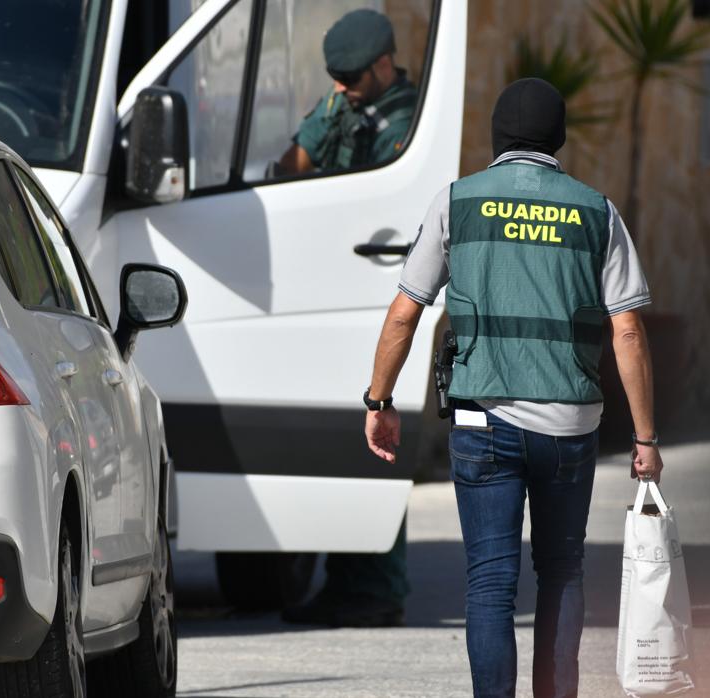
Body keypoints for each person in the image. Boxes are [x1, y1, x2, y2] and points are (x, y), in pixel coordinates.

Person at [362, 78, 663, 697]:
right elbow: (627, 329)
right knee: (561, 573)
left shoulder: (456, 202)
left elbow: (404, 313)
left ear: (497, 137)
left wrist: (380, 401)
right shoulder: (596, 210)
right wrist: (645, 437)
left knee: (490, 584)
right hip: (570, 429)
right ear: (558, 138)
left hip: (481, 425)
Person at [279, 8, 417, 629]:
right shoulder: (349, 107)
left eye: (351, 80)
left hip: (379, 297)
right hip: (334, 289)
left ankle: (371, 585)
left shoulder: (406, 126)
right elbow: (292, 173)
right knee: (342, 436)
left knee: (373, 436)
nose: (341, 88)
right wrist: (330, 114)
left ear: (384, 65)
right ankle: (353, 577)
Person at [276, 8, 418, 176]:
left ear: (383, 65)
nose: (339, 87)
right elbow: (297, 157)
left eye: (349, 77)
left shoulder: (404, 130)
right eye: (335, 75)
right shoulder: (348, 93)